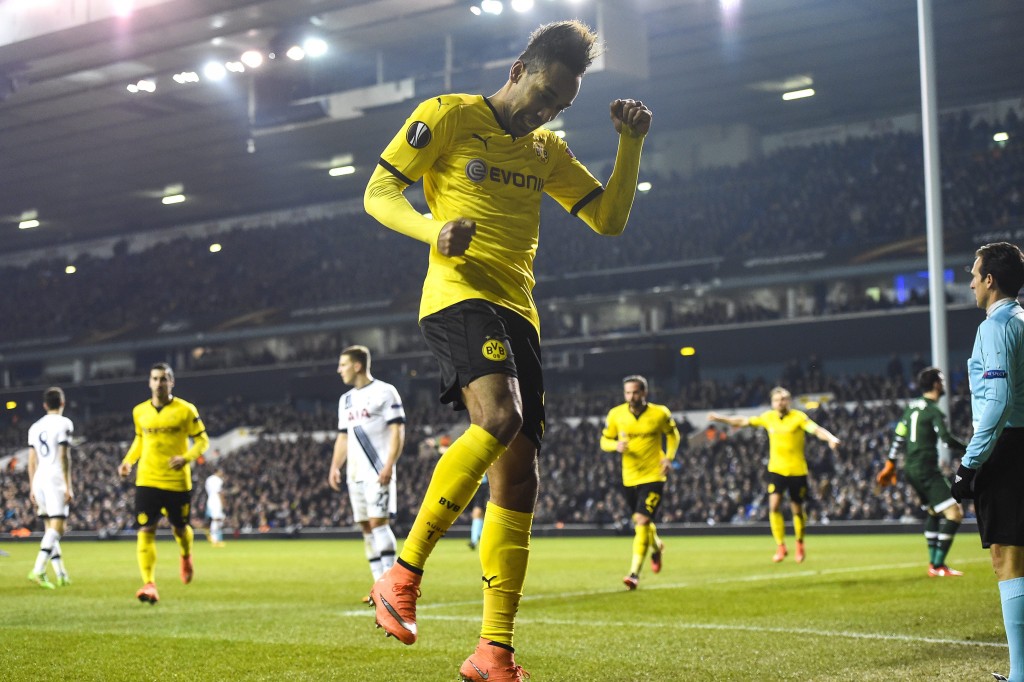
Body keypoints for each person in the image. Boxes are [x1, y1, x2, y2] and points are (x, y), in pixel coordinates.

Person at [363, 19, 652, 681]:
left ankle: (493, 650)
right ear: (520, 68)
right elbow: (378, 193)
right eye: (543, 94)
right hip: (459, 294)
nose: (546, 112)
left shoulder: (546, 151)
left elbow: (608, 220)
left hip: (520, 314)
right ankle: (400, 576)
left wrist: (629, 146)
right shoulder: (449, 116)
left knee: (519, 476)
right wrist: (432, 230)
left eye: (560, 106)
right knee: (498, 419)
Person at [950, 242, 1024, 682]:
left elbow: (996, 401)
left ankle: (1018, 675)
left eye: (975, 274)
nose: (971, 281)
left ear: (990, 280)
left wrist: (968, 465)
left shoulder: (995, 326)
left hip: (1005, 448)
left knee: (1008, 558)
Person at [708, 386, 840, 563]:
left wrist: (831, 438)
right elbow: (742, 421)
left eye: (784, 399)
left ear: (789, 401)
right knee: (774, 506)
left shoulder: (798, 418)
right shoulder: (768, 417)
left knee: (797, 510)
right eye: (777, 400)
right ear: (772, 403)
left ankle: (799, 544)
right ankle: (780, 546)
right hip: (777, 469)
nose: (781, 402)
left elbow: (816, 430)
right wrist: (721, 419)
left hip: (797, 470)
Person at [118, 363, 209, 605]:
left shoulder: (185, 410)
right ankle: (149, 583)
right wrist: (128, 461)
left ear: (172, 382)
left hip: (177, 482)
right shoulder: (139, 411)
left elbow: (202, 441)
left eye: (164, 379)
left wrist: (186, 458)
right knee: (146, 530)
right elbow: (140, 439)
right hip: (147, 479)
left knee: (180, 529)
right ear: (149, 382)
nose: (159, 383)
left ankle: (186, 555)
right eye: (155, 378)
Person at [328, 346, 406, 598]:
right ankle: (377, 586)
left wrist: (389, 463)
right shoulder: (346, 400)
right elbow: (343, 437)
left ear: (357, 365)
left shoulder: (385, 392)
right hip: (355, 474)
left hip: (377, 470)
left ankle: (391, 586)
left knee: (378, 524)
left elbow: (397, 430)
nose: (339, 370)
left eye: (343, 365)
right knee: (365, 528)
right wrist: (334, 466)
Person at [876, 366, 967, 576]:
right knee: (954, 514)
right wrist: (970, 447)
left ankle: (933, 565)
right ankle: (938, 565)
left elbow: (899, 435)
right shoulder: (933, 411)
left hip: (910, 468)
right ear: (936, 384)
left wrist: (890, 462)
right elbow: (945, 439)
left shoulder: (910, 409)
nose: (943, 384)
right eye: (942, 380)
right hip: (926, 468)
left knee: (934, 511)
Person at [599, 375, 679, 590]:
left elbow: (673, 436)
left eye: (635, 392)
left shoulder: (660, 413)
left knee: (642, 521)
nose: (631, 396)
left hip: (654, 476)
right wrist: (614, 446)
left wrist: (668, 458)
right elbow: (604, 440)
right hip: (629, 477)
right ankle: (657, 546)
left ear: (644, 393)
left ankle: (634, 573)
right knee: (642, 522)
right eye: (627, 393)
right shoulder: (616, 414)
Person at [26, 386, 74, 588]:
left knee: (49, 528)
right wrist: (68, 485)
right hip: (55, 479)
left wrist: (31, 487)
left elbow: (31, 460)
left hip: (39, 478)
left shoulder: (35, 427)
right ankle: (38, 570)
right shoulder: (65, 423)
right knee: (58, 528)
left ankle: (61, 573)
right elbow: (64, 456)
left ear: (45, 405)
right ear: (62, 403)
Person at [204, 469, 227, 547]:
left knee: (217, 519)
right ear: (218, 471)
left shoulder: (209, 479)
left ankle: (216, 538)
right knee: (216, 519)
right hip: (216, 500)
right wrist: (223, 502)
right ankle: (215, 539)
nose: (222, 473)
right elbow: (219, 492)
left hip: (210, 499)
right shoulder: (218, 480)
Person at [468, 474, 489, 551]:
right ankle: (481, 538)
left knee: (477, 512)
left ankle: (474, 541)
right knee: (477, 514)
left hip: (481, 484)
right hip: (469, 483)